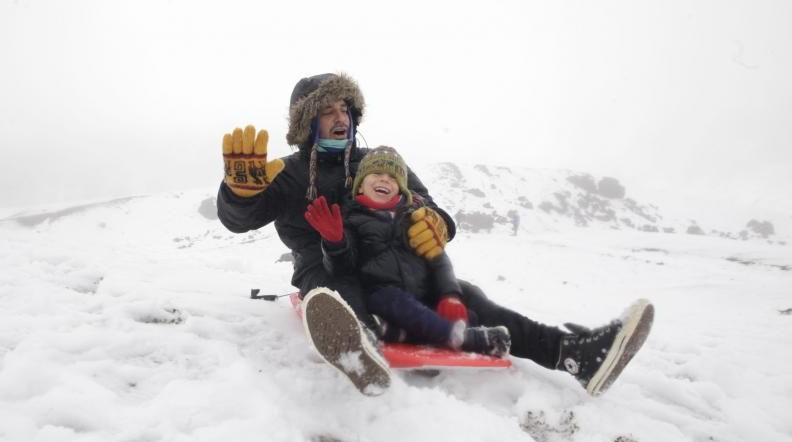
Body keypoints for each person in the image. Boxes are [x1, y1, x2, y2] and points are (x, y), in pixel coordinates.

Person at [216, 72, 654, 397]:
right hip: (326, 265)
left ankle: (574, 353)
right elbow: (240, 219)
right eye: (328, 110)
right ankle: (358, 346)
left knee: (468, 296)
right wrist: (238, 193)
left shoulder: (378, 160)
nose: (340, 118)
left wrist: (436, 221)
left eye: (345, 109)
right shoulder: (290, 174)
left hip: (389, 263)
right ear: (308, 121)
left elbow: (424, 201)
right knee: (334, 289)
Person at [304, 145, 511, 358]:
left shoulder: (411, 218)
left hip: (415, 293)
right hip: (379, 292)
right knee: (398, 302)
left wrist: (449, 294)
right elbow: (343, 266)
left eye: (393, 178)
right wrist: (335, 241)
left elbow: (437, 259)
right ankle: (465, 339)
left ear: (401, 189)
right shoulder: (352, 218)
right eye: (376, 174)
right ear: (359, 186)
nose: (385, 179)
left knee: (464, 313)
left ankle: (396, 333)